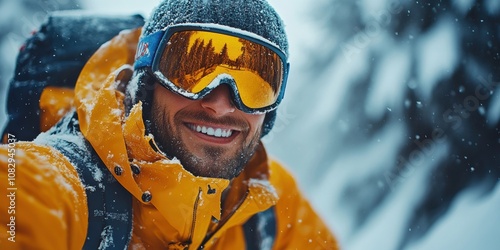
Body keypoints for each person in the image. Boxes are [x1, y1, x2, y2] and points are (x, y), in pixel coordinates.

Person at [0, 0, 338, 249]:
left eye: (255, 84)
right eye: (191, 70)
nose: (221, 104)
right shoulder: (55, 185)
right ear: (147, 82)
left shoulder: (268, 201)